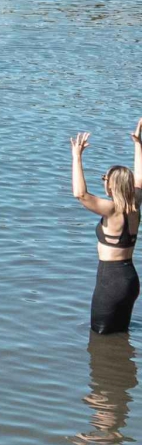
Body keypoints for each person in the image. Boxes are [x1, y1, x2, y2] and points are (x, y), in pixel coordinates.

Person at [71, 124, 142, 335]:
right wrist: (138, 145)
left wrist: (77, 157)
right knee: (120, 334)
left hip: (111, 282)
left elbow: (81, 194)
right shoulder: (135, 206)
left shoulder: (112, 210)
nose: (103, 182)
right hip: (129, 280)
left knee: (100, 337)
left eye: (105, 179)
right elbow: (139, 180)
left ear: (112, 186)